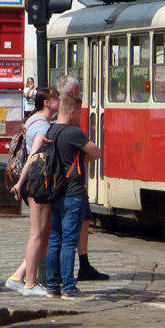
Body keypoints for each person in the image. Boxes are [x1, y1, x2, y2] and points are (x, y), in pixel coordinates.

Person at [7, 87, 61, 297]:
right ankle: (30, 283)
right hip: (37, 183)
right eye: (56, 99)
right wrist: (20, 184)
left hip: (33, 183)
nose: (58, 102)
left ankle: (18, 277)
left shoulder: (31, 120)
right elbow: (34, 155)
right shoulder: (42, 126)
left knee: (43, 232)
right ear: (47, 103)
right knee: (38, 233)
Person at [45, 95, 101, 300]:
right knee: (69, 241)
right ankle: (69, 287)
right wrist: (85, 155)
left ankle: (52, 286)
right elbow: (97, 152)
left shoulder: (50, 131)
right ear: (71, 112)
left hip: (55, 192)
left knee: (55, 239)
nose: (78, 116)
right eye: (78, 112)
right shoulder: (73, 132)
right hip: (72, 193)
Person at [57, 74, 109, 281]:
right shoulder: (66, 116)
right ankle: (64, 279)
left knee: (84, 220)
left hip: (68, 183)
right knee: (64, 234)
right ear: (76, 92)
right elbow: (92, 151)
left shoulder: (61, 111)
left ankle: (83, 266)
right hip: (69, 185)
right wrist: (80, 161)